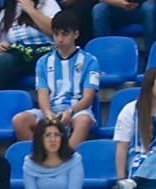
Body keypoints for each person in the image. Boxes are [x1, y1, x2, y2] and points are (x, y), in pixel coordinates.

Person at [11, 10, 97, 145]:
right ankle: (41, 157)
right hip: (51, 110)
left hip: (78, 110)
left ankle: (66, 158)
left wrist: (70, 111)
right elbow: (42, 94)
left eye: (65, 34)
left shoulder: (90, 60)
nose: (60, 39)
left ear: (76, 34)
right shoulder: (43, 62)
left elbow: (88, 97)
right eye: (56, 34)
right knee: (19, 120)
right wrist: (49, 114)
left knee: (84, 121)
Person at [0, 0, 58, 94]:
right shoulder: (6, 12)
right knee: (0, 61)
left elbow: (57, 32)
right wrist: (0, 46)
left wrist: (31, 10)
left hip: (46, 51)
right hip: (20, 54)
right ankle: (8, 101)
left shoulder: (47, 3)